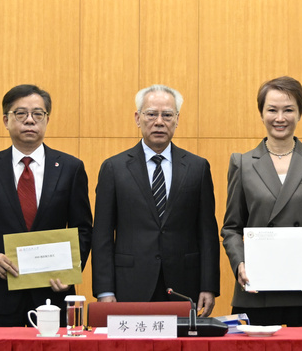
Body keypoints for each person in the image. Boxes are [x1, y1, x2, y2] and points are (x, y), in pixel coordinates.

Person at [0, 85, 93, 327]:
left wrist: (71, 270)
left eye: (38, 114)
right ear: (6, 120)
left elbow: (83, 229)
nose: (30, 120)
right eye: (21, 113)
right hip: (0, 292)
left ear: (47, 120)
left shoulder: (71, 168)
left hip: (53, 292)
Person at [91, 85, 220, 315]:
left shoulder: (197, 167)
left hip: (183, 285)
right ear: (137, 118)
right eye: (151, 114)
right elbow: (102, 235)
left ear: (177, 120)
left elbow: (207, 232)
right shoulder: (114, 168)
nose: (159, 122)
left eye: (167, 115)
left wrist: (208, 286)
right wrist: (104, 290)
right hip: (129, 285)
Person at [222, 76, 302, 327]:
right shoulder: (242, 163)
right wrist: (239, 264)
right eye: (272, 110)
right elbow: (231, 228)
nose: (280, 118)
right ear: (261, 113)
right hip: (257, 288)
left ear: (300, 113)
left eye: (288, 110)